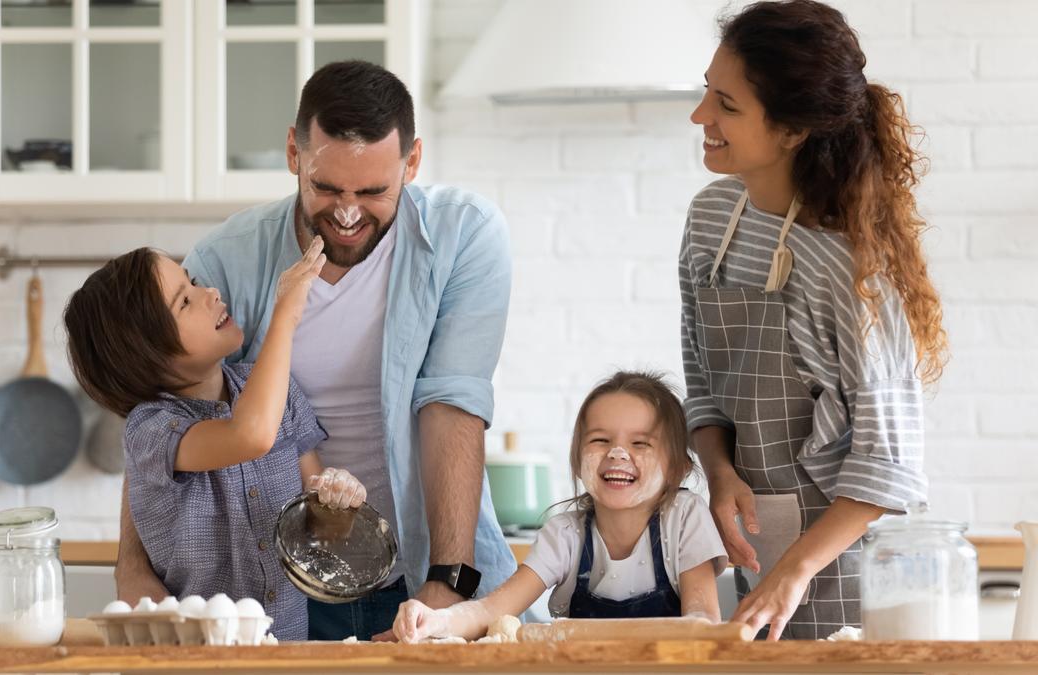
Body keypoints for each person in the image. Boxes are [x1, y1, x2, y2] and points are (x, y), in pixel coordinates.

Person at [113, 60, 517, 641]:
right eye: (327, 188)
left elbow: (451, 403)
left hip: (427, 577)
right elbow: (158, 411)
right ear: (293, 154)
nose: (348, 213)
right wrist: (132, 566)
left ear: (413, 162)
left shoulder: (465, 236)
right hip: (277, 593)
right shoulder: (226, 259)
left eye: (374, 191)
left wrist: (446, 582)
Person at [679, 0, 948, 640]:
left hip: (851, 568)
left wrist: (793, 572)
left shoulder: (847, 266)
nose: (700, 117)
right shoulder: (710, 217)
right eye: (707, 93)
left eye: (728, 105)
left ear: (793, 130)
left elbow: (888, 461)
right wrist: (718, 474)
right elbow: (703, 382)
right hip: (756, 545)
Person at [63, 239, 369, 641]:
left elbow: (318, 532)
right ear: (146, 352)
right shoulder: (151, 431)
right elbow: (249, 435)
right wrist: (286, 315)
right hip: (195, 664)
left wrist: (339, 501)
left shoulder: (280, 394)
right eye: (184, 302)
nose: (209, 293)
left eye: (192, 283)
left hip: (288, 659)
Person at [392, 372, 728, 643]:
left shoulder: (685, 518)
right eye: (600, 440)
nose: (617, 453)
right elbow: (493, 611)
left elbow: (703, 622)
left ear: (677, 468)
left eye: (640, 443)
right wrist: (436, 620)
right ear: (577, 457)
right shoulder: (566, 534)